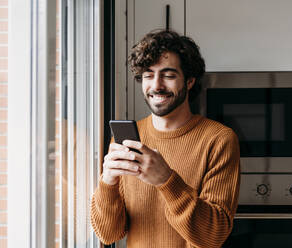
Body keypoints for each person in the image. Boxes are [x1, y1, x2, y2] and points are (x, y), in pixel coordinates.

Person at [90, 30, 240, 248]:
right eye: (148, 75)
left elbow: (211, 237)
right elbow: (108, 234)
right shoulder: (127, 139)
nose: (157, 85)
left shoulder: (219, 140)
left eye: (168, 75)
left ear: (189, 81)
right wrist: (107, 183)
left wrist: (166, 180)